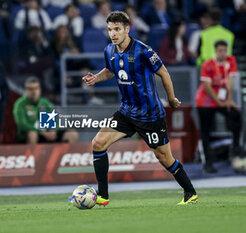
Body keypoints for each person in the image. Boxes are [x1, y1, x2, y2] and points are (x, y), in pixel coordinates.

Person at [82, 11, 197, 206]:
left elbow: (164, 73)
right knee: (98, 143)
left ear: (127, 29)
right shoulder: (109, 50)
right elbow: (110, 70)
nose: (113, 33)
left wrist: (171, 98)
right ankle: (103, 196)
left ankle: (190, 192)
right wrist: (96, 78)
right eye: (110, 29)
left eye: (117, 29)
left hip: (150, 115)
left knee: (164, 158)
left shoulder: (144, 51)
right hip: (126, 112)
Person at [195, 40, 242, 173]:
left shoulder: (230, 61)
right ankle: (208, 163)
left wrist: (228, 100)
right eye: (220, 51)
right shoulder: (207, 64)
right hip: (205, 102)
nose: (223, 53)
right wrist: (222, 102)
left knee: (236, 114)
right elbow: (207, 87)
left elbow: (231, 81)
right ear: (216, 51)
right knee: (205, 131)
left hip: (221, 100)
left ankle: (237, 147)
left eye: (224, 50)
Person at [13, 76, 78, 144]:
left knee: (72, 133)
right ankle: (31, 154)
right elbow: (22, 125)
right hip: (29, 135)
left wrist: (53, 131)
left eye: (36, 88)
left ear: (40, 90)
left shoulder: (44, 103)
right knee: (32, 134)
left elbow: (52, 121)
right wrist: (41, 132)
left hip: (45, 134)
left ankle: (65, 154)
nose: (34, 91)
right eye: (30, 89)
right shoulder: (20, 104)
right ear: (25, 90)